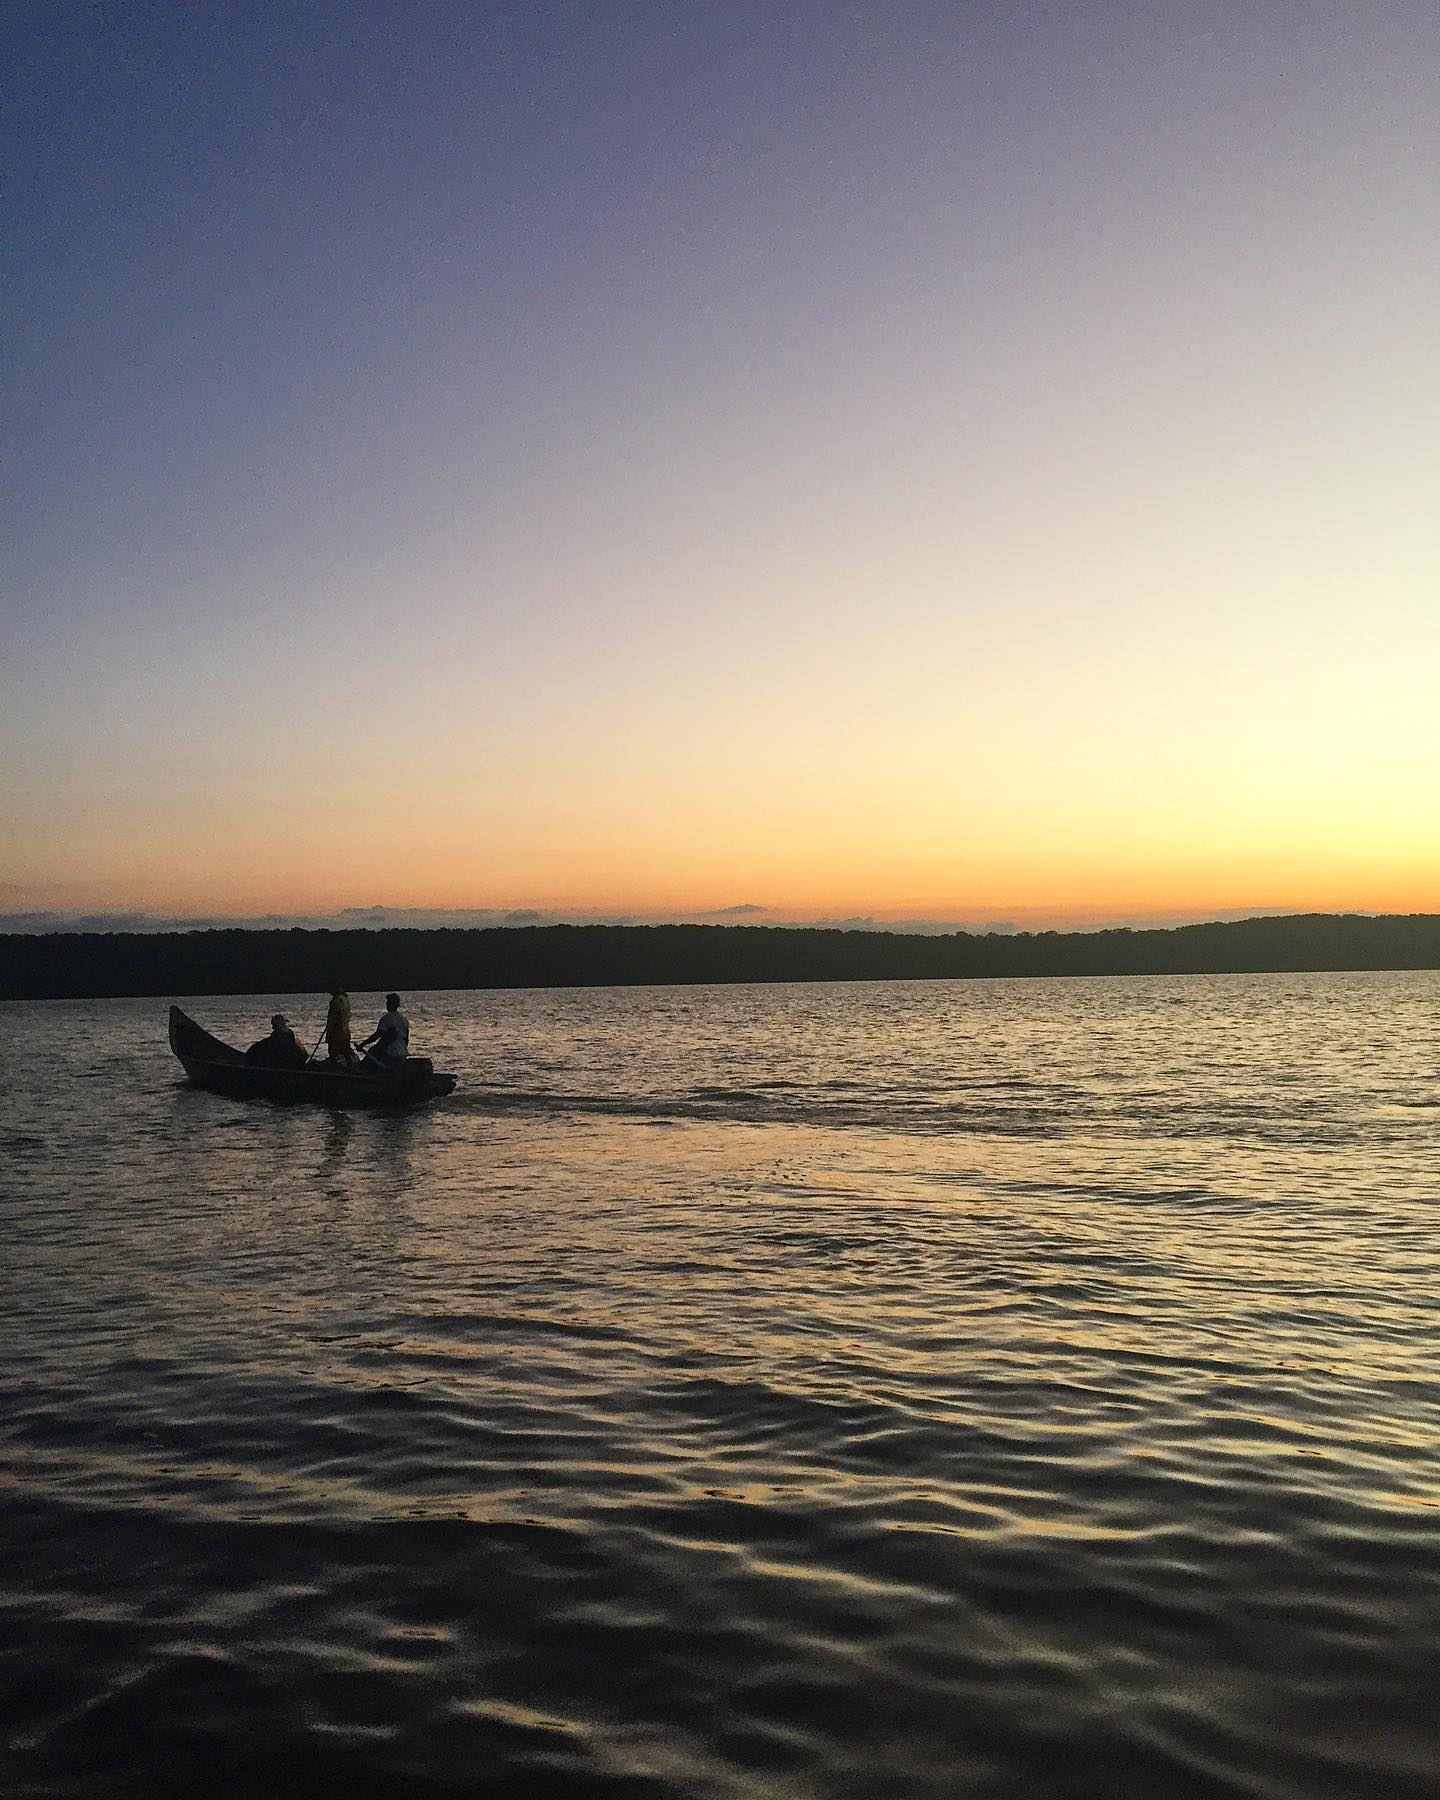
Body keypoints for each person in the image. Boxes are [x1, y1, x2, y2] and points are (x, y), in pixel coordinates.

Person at [360, 992, 410, 1069]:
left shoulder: (386, 1018)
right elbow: (406, 1039)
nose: (387, 1004)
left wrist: (362, 1044)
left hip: (390, 1051)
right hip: (402, 1051)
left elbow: (377, 1035)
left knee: (372, 1051)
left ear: (389, 1004)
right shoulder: (404, 1020)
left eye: (388, 1002)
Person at [244, 1013, 309, 1068]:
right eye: (284, 1024)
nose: (286, 1026)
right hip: (285, 1066)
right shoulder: (284, 1039)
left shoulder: (270, 1042)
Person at [325, 989, 357, 1065]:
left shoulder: (336, 1000)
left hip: (337, 1032)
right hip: (345, 1031)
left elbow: (333, 1019)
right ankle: (351, 1065)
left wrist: (329, 1033)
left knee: (334, 1052)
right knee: (346, 1050)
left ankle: (338, 1067)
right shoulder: (345, 999)